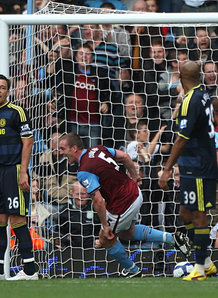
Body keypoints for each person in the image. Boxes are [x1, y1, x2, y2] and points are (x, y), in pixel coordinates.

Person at [59, 132, 190, 278]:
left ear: (74, 148)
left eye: (63, 149)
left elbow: (98, 201)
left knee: (105, 238)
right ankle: (173, 238)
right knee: (127, 231)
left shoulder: (84, 170)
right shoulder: (97, 149)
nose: (60, 152)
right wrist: (135, 176)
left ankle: (134, 271)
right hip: (134, 192)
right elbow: (125, 157)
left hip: (122, 203)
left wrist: (105, 225)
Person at [158, 61, 217, 281]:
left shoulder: (190, 101)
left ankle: (200, 269)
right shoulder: (202, 94)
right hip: (194, 166)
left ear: (181, 75)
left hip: (199, 166)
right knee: (185, 213)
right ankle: (208, 262)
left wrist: (166, 169)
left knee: (199, 214)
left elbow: (182, 139)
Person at [0, 74, 38, 281]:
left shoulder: (17, 112)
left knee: (16, 219)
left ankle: (30, 270)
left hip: (13, 170)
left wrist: (23, 171)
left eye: (2, 87)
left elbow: (28, 141)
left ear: (8, 91)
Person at [59, 181, 101, 248]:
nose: (80, 197)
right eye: (77, 194)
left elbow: (103, 229)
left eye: (83, 193)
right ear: (72, 193)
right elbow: (60, 232)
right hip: (72, 249)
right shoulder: (65, 211)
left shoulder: (96, 209)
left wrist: (100, 241)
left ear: (88, 194)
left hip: (94, 249)